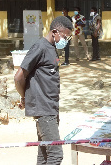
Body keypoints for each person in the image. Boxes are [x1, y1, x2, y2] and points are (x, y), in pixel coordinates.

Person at [14, 16, 73, 165]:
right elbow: (19, 76)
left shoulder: (52, 48)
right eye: (65, 36)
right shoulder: (40, 47)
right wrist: (24, 97)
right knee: (56, 154)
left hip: (51, 107)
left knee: (44, 153)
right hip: (44, 109)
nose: (66, 40)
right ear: (55, 32)